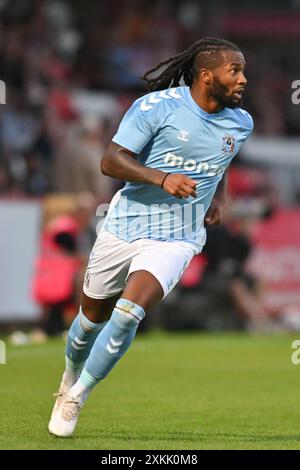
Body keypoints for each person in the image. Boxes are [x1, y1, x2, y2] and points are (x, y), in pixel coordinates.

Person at [48, 37, 252, 437]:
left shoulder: (241, 122)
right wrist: (162, 177)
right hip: (124, 227)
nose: (244, 79)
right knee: (89, 323)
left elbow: (221, 159)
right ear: (207, 76)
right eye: (235, 71)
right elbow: (111, 160)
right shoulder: (155, 107)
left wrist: (218, 198)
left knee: (128, 315)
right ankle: (68, 378)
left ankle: (77, 398)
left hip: (177, 238)